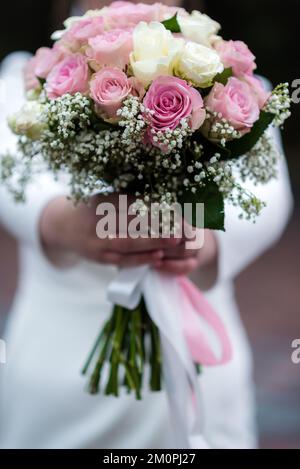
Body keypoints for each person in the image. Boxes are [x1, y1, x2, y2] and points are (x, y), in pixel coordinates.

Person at [0, 6, 293, 450]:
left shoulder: (234, 82)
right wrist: (64, 222)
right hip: (59, 368)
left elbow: (270, 195)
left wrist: (204, 241)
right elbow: (10, 175)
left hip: (200, 369)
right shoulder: (26, 79)